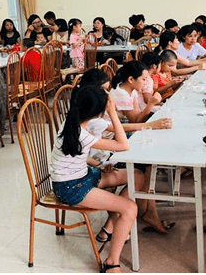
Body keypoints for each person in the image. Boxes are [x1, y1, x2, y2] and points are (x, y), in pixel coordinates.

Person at [72, 69, 174, 239]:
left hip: (98, 157)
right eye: (104, 90)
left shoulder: (86, 110)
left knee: (144, 162)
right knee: (142, 167)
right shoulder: (91, 117)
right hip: (97, 159)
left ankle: (141, 213)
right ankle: (120, 220)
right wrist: (152, 124)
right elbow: (121, 131)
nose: (108, 94)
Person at [49, 84, 136, 273]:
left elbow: (74, 155)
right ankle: (111, 263)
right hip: (71, 187)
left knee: (137, 176)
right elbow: (123, 145)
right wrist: (112, 112)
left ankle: (112, 224)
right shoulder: (81, 133)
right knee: (130, 208)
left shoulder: (72, 122)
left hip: (81, 176)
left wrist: (98, 164)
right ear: (98, 113)